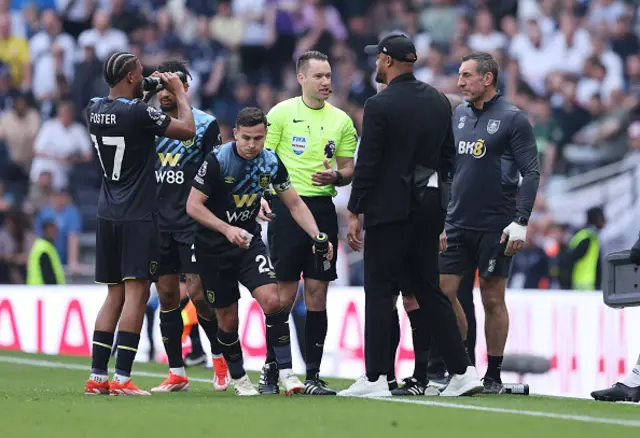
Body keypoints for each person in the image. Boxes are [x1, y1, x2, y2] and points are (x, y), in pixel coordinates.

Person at [340, 33, 483, 398]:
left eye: (378, 58)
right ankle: (463, 370)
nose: (375, 63)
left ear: (387, 60)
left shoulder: (378, 104)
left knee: (379, 289)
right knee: (429, 290)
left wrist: (355, 210)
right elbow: (449, 159)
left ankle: (375, 377)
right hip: (429, 209)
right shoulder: (439, 101)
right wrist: (439, 205)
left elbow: (367, 165)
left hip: (389, 211)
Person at [186, 107, 334, 396]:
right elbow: (193, 206)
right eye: (247, 138)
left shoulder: (270, 162)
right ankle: (240, 378)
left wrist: (317, 235)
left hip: (247, 243)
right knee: (228, 320)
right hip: (214, 247)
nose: (253, 145)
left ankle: (287, 373)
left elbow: (294, 204)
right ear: (235, 134)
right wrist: (226, 229)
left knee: (273, 300)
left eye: (259, 138)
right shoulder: (217, 161)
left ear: (266, 136)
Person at [84, 51, 196, 396]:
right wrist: (179, 92)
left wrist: (149, 83)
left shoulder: (92, 108)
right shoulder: (138, 113)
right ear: (131, 77)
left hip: (107, 213)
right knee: (136, 293)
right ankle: (122, 379)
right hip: (137, 214)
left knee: (112, 294)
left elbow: (129, 97)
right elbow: (188, 130)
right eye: (140, 72)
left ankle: (97, 377)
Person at [439, 51, 540, 394]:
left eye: (467, 75)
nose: (460, 82)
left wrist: (521, 221)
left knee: (492, 298)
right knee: (442, 291)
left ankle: (493, 374)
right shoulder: (458, 116)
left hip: (496, 225)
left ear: (488, 78)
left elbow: (531, 172)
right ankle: (463, 367)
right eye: (459, 75)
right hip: (456, 222)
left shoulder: (513, 119)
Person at [261, 50, 357, 396]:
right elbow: (262, 159)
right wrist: (261, 196)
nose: (327, 82)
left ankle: (314, 374)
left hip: (322, 209)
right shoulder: (282, 113)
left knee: (317, 293)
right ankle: (273, 368)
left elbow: (348, 169)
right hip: (286, 209)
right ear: (301, 78)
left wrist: (338, 174)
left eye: (329, 75)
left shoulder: (342, 121)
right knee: (283, 295)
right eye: (319, 76)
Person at [147, 58, 231, 393]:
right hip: (158, 223)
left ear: (184, 86)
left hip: (193, 223)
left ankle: (221, 361)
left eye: (171, 85)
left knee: (198, 294)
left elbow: (219, 172)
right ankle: (176, 371)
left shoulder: (206, 124)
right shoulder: (146, 121)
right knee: (167, 296)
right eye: (159, 85)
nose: (164, 92)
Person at [567, 207, 606, 291]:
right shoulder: (587, 239)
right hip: (583, 287)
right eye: (602, 218)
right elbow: (570, 261)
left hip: (587, 285)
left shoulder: (587, 236)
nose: (604, 221)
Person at [26, 220, 65, 285]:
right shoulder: (44, 249)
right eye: (53, 231)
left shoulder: (42, 246)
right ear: (46, 231)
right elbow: (48, 275)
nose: (55, 234)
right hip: (42, 291)